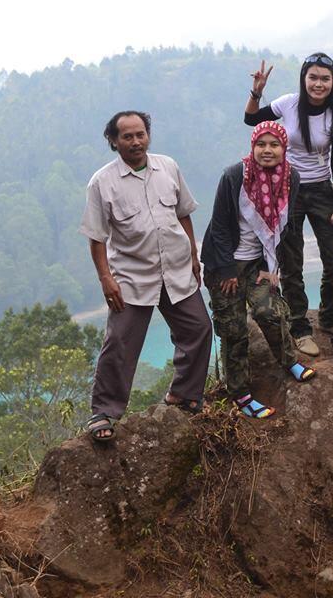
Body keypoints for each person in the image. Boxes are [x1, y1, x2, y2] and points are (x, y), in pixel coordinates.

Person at [80, 111, 213, 441]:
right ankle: (105, 412)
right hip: (131, 275)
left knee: (198, 328)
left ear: (148, 135)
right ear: (114, 141)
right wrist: (105, 278)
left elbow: (183, 213)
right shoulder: (102, 182)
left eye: (140, 134)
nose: (136, 141)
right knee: (120, 342)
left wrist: (194, 255)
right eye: (127, 136)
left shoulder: (167, 166)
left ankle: (184, 394)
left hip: (177, 267)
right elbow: (96, 237)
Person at [200, 121, 316, 419]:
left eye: (274, 145)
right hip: (225, 265)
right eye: (261, 144)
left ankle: (288, 361)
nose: (267, 150)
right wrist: (226, 271)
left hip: (258, 264)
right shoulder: (234, 176)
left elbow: (284, 226)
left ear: (283, 148)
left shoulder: (291, 177)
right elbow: (219, 227)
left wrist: (272, 267)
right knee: (234, 329)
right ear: (253, 147)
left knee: (270, 312)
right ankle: (240, 393)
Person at [245, 54, 333, 357]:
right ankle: (300, 327)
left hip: (321, 189)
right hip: (286, 187)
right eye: (313, 77)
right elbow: (251, 119)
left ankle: (330, 318)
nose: (318, 84)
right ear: (304, 79)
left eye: (325, 79)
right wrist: (257, 91)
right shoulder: (288, 103)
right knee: (292, 261)